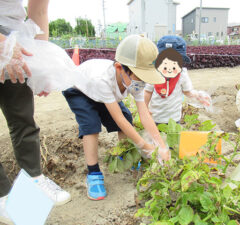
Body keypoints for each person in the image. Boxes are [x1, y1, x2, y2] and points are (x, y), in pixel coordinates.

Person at [62, 34, 170, 201]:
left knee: (127, 117)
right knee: (91, 124)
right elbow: (117, 118)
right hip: (80, 90)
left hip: (106, 94)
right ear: (120, 68)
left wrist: (161, 145)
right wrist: (144, 146)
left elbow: (144, 114)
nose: (142, 83)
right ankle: (94, 174)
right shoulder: (102, 80)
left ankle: (124, 155)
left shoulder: (135, 80)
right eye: (140, 77)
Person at [0, 0, 71, 224]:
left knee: (22, 117)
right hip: (5, 39)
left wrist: (43, 67)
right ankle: (3, 194)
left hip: (15, 35)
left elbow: (38, 9)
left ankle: (32, 181)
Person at [144, 35, 211, 125]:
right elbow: (148, 92)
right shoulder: (154, 74)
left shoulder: (182, 74)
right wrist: (144, 109)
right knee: (156, 138)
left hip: (174, 119)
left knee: (173, 138)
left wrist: (198, 95)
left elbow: (187, 91)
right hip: (155, 117)